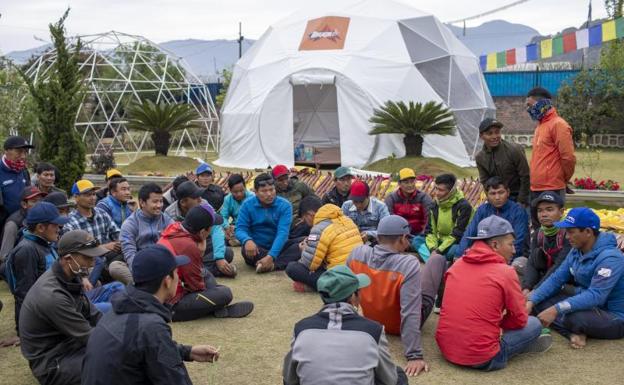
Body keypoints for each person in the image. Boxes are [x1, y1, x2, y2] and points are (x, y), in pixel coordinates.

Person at [82, 244, 221, 385]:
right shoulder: (151, 326)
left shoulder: (119, 310)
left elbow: (143, 347)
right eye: (176, 273)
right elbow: (174, 379)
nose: (178, 277)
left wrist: (187, 352)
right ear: (167, 281)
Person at [436, 216, 552, 371]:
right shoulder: (506, 272)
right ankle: (519, 345)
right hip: (483, 358)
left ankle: (516, 342)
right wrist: (500, 325)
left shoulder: (456, 266)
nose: (514, 250)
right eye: (510, 244)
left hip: (446, 349)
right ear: (495, 244)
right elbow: (519, 319)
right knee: (534, 323)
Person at [347, 215, 448, 377]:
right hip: (397, 325)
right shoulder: (408, 264)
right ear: (402, 238)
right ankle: (441, 305)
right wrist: (414, 355)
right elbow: (410, 311)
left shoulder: (357, 253)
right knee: (437, 259)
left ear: (378, 237)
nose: (409, 241)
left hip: (371, 320)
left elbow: (345, 293)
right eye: (408, 237)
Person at [283, 265, 408, 385]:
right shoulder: (373, 330)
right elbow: (390, 380)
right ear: (353, 296)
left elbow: (289, 379)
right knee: (398, 375)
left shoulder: (301, 328)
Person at [19, 230, 112, 385]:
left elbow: (94, 315)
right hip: (53, 361)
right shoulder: (52, 295)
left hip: (71, 344)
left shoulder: (71, 277)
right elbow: (89, 336)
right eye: (88, 257)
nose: (93, 262)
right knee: (113, 365)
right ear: (68, 258)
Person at [527, 207, 624, 348]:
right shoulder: (576, 250)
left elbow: (596, 295)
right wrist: (531, 300)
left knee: (573, 318)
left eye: (571, 232)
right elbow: (556, 279)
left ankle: (576, 328)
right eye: (566, 231)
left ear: (588, 232)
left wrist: (556, 309)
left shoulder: (611, 258)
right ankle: (575, 333)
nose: (567, 236)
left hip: (613, 316)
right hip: (587, 305)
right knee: (539, 301)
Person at [159, 204, 253, 321]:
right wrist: (200, 252)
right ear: (203, 231)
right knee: (225, 293)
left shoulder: (175, 228)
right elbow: (195, 286)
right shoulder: (188, 245)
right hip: (170, 306)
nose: (212, 230)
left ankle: (215, 307)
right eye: (211, 227)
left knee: (205, 273)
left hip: (163, 293)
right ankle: (217, 308)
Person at [1, 202, 69, 348]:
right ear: (40, 228)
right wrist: (24, 333)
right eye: (55, 225)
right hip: (50, 312)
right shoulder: (27, 250)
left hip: (59, 301)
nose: (59, 228)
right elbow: (24, 294)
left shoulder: (45, 243)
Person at [64, 179, 132, 285]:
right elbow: (76, 253)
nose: (92, 198)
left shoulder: (101, 214)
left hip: (107, 258)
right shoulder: (70, 222)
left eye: (94, 194)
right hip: (88, 264)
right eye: (87, 195)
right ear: (76, 197)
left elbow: (118, 233)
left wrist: (119, 243)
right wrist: (105, 247)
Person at [285, 203, 363, 292]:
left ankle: (323, 287)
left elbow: (310, 264)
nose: (304, 222)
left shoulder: (319, 228)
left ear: (310, 214)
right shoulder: (348, 221)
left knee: (292, 267)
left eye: (304, 219)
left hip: (340, 277)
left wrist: (304, 250)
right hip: (358, 272)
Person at [526, 87, 576, 225]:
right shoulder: (540, 126)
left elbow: (568, 158)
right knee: (537, 230)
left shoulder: (559, 125)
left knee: (553, 230)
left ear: (543, 103)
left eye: (530, 105)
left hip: (552, 187)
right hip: (535, 188)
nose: (528, 109)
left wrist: (562, 179)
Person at [457, 176, 528, 261]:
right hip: (484, 254)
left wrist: (499, 261)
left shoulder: (518, 211)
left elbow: (519, 241)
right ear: (487, 195)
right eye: (493, 193)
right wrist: (459, 255)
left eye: (501, 192)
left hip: (510, 256)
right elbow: (470, 233)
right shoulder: (482, 210)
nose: (497, 197)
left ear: (508, 192)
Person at [236, 173, 293, 273]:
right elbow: (240, 229)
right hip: (257, 248)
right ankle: (278, 261)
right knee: (246, 250)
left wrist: (271, 255)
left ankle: (272, 265)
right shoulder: (247, 205)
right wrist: (247, 240)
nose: (269, 194)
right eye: (264, 191)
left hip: (279, 247)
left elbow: (282, 233)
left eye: (271, 189)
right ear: (256, 192)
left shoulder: (285, 205)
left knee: (303, 244)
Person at [519, 191, 570, 295]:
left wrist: (536, 290)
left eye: (549, 209)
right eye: (540, 210)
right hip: (545, 276)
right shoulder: (539, 233)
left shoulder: (568, 234)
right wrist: (526, 288)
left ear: (561, 212)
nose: (544, 214)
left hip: (566, 281)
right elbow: (532, 262)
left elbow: (559, 267)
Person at [475, 118, 530, 206]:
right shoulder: (480, 157)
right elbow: (485, 181)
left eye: (497, 132)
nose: (494, 136)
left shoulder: (514, 150)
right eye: (490, 133)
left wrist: (521, 201)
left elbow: (525, 176)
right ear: (481, 136)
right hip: (498, 198)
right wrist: (492, 199)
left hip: (518, 196)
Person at [120, 183, 173, 270]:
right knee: (116, 267)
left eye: (161, 201)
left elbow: (177, 239)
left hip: (164, 263)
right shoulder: (130, 224)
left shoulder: (166, 219)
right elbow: (129, 254)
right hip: (141, 265)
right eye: (155, 202)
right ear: (142, 202)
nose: (159, 205)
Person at [425, 174, 473, 262]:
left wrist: (439, 250)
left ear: (451, 191)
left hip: (456, 242)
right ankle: (436, 261)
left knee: (452, 252)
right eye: (436, 188)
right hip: (439, 241)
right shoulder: (434, 205)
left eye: (441, 190)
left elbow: (457, 234)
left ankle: (434, 261)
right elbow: (430, 231)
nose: (436, 193)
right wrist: (433, 249)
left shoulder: (464, 206)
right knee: (417, 240)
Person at [385, 168, 433, 253]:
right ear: (399, 183)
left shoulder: (424, 198)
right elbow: (389, 220)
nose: (410, 185)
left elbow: (429, 220)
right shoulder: (391, 198)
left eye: (412, 181)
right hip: (399, 236)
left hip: (419, 235)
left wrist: (422, 235)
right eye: (406, 182)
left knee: (417, 242)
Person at [0, 186, 46, 261]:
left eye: (40, 200)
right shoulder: (13, 224)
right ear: (24, 204)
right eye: (34, 201)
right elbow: (4, 256)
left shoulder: (40, 217)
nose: (39, 204)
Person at [0, 136, 33, 228]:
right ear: (6, 151)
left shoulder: (24, 171)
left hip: (23, 223)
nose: (23, 156)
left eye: (25, 152)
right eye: (19, 151)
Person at [219, 173, 253, 246]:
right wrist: (227, 227)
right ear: (230, 190)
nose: (239, 194)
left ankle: (238, 240)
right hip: (235, 228)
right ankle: (240, 240)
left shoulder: (252, 197)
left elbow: (255, 218)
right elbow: (223, 217)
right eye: (235, 192)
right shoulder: (228, 199)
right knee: (219, 231)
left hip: (249, 226)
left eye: (241, 191)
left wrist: (237, 227)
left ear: (245, 187)